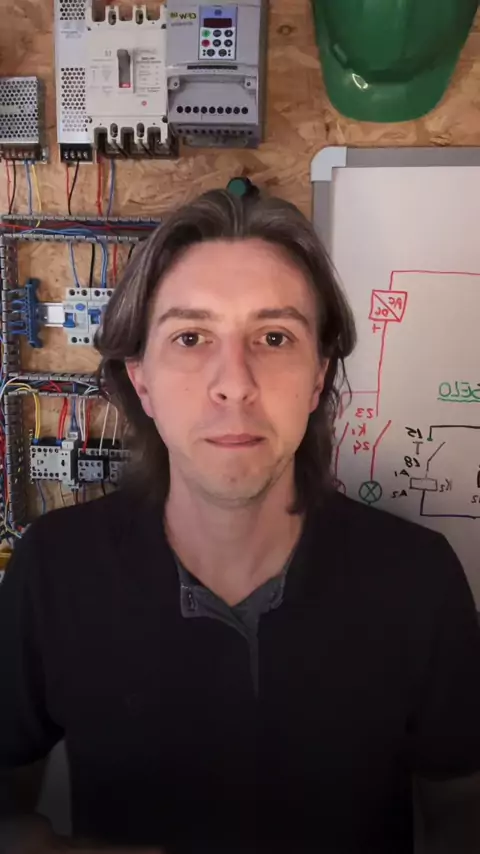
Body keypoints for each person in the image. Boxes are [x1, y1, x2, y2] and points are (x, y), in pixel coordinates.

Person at [1, 189, 480, 854]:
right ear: (142, 381)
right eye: (191, 338)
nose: (235, 383)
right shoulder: (54, 569)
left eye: (274, 338)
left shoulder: (418, 578)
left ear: (318, 378)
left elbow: (463, 807)